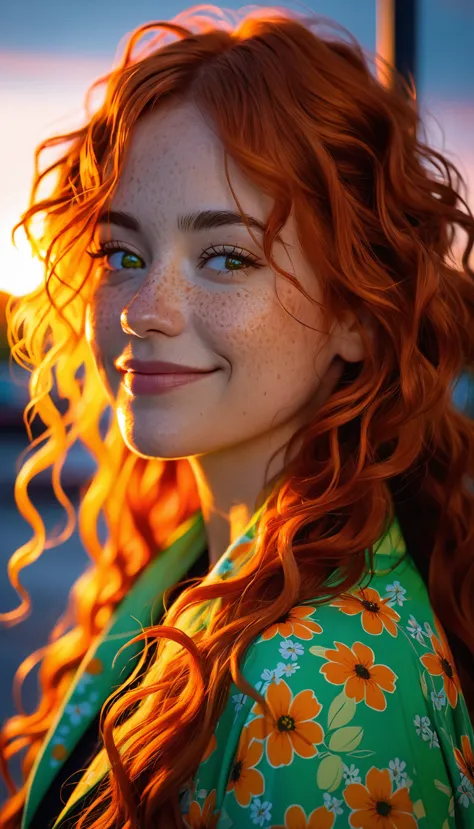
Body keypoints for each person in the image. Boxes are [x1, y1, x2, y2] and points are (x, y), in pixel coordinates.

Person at [1, 4, 473, 828]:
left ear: (357, 316)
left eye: (227, 256)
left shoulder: (322, 687)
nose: (144, 309)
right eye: (123, 253)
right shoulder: (193, 561)